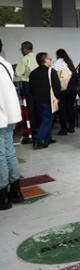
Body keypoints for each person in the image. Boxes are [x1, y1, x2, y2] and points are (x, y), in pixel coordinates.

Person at [0, 39, 25, 210]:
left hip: (1, 115)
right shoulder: (6, 65)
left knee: (0, 155)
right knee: (9, 151)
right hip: (9, 114)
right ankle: (16, 191)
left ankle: (2, 196)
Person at [29, 53, 61, 150]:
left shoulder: (33, 73)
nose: (50, 59)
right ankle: (38, 141)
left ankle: (48, 138)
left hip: (38, 100)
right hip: (49, 99)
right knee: (47, 120)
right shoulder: (51, 71)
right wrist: (58, 97)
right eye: (49, 58)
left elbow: (31, 88)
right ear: (45, 60)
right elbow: (56, 86)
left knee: (47, 119)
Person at [14, 41, 38, 143]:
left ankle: (32, 132)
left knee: (30, 109)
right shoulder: (38, 56)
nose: (21, 51)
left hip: (28, 85)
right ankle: (40, 130)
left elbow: (18, 73)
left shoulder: (24, 59)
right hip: (40, 85)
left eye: (21, 49)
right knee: (38, 107)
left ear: (25, 49)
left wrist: (15, 68)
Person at [53, 49, 76, 135]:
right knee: (70, 107)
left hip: (61, 89)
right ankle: (72, 127)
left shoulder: (55, 64)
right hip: (71, 89)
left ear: (57, 55)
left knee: (62, 109)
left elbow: (54, 78)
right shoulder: (69, 63)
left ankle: (63, 129)